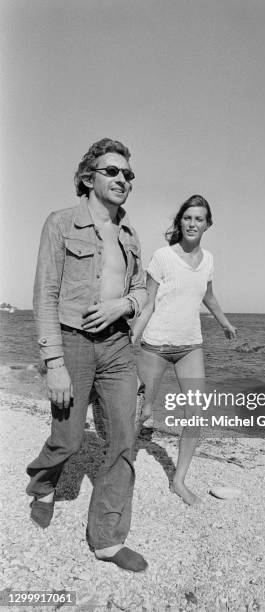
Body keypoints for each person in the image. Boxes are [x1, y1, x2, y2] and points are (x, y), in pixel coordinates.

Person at [26, 138, 148, 573]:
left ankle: (108, 540)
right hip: (72, 340)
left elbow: (140, 289)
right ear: (87, 177)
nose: (122, 180)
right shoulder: (60, 223)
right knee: (69, 438)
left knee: (123, 439)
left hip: (118, 345)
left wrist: (125, 305)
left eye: (127, 175)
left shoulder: (131, 234)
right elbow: (45, 294)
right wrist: (53, 363)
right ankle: (42, 485)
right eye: (112, 172)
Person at [131, 194, 237, 506]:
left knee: (195, 414)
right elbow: (148, 302)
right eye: (187, 218)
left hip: (191, 346)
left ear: (208, 224)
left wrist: (225, 323)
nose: (192, 223)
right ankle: (120, 467)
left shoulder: (209, 260)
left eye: (199, 219)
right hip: (155, 346)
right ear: (180, 221)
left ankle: (178, 480)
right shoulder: (163, 257)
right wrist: (133, 334)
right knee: (141, 412)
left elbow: (208, 296)